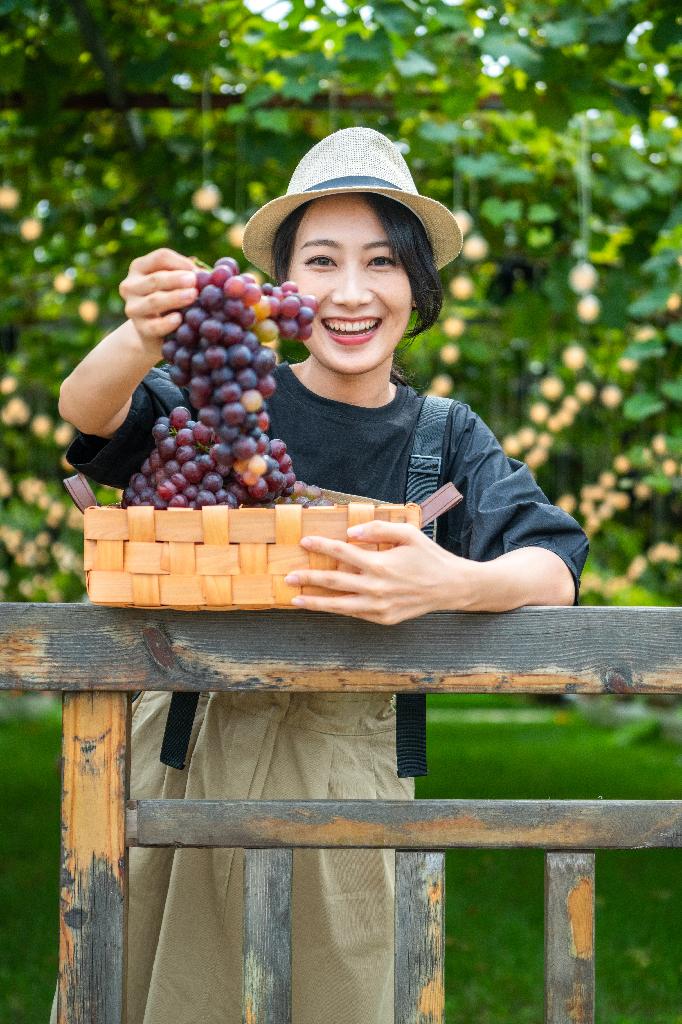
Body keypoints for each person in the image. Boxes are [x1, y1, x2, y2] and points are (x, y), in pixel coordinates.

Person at [52, 127, 588, 1024]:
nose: (350, 292)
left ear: (418, 288)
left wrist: (447, 581)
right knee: (158, 991)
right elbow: (89, 416)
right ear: (282, 286)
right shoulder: (229, 391)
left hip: (350, 778)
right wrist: (140, 332)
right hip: (184, 753)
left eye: (381, 262)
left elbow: (554, 563)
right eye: (321, 260)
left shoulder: (445, 438)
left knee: (340, 992)